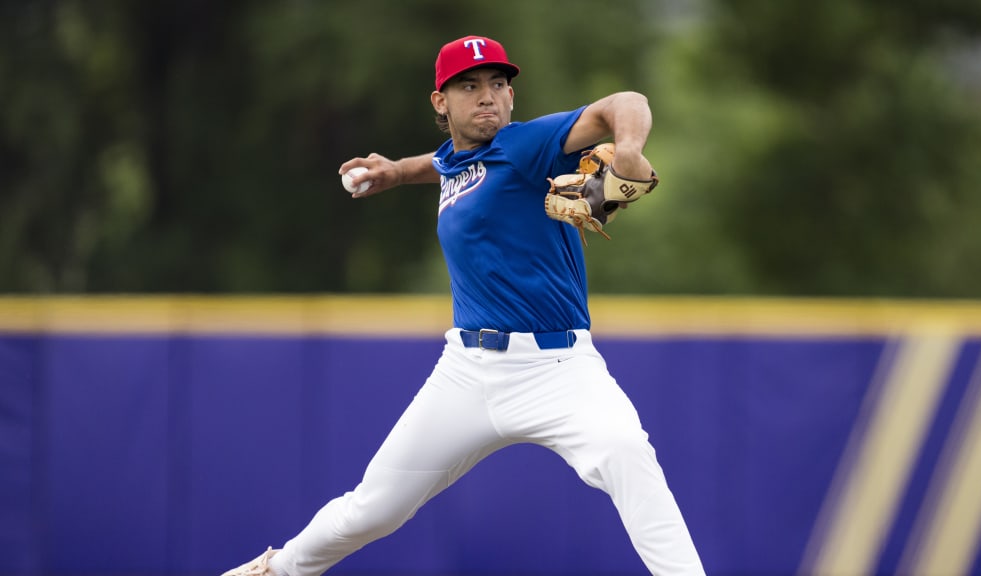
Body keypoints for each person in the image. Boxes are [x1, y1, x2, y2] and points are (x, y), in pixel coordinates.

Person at [222, 35, 705, 576]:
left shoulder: (529, 146)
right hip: (467, 372)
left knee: (627, 454)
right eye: (469, 86)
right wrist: (399, 171)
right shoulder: (460, 159)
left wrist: (631, 147)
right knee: (374, 507)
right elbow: (447, 163)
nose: (487, 97)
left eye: (498, 84)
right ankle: (276, 570)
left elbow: (628, 103)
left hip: (559, 368)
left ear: (511, 97)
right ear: (440, 102)